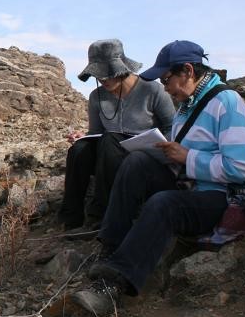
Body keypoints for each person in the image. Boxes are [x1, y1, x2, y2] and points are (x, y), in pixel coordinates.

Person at [71, 40, 245, 316]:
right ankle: (111, 247)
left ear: (188, 71)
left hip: (219, 197)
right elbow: (182, 153)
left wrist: (187, 158)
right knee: (136, 162)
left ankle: (112, 286)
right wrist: (163, 152)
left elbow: (242, 169)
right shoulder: (186, 106)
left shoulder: (227, 103)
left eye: (166, 79)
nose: (165, 87)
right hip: (189, 184)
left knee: (163, 203)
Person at [58, 39, 174, 232]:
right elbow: (96, 133)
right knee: (79, 149)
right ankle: (71, 219)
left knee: (110, 140)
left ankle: (101, 216)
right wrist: (83, 137)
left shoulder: (152, 90)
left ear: (122, 68)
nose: (104, 79)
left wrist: (165, 150)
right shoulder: (96, 96)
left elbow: (172, 126)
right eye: (99, 75)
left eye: (108, 73)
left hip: (143, 158)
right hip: (109, 155)